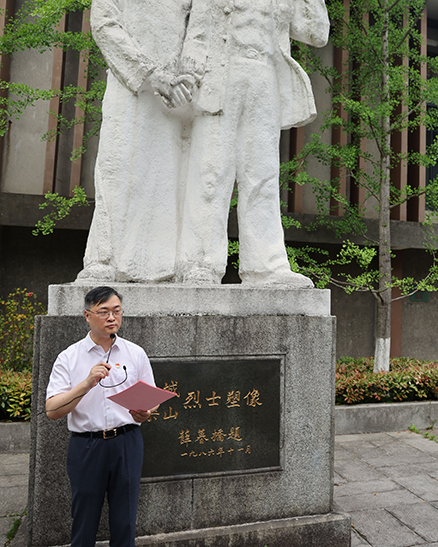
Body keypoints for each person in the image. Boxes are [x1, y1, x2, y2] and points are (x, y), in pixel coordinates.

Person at [175, 0, 329, 285]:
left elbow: (317, 32)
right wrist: (188, 77)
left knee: (263, 175)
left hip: (264, 75)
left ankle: (266, 266)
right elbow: (196, 35)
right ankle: (200, 263)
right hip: (220, 75)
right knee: (211, 171)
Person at [79, 0, 195, 282]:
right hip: (129, 88)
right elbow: (105, 24)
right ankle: (102, 257)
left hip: (176, 94)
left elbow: (201, 33)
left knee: (168, 175)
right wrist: (150, 74)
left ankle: (164, 264)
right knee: (116, 166)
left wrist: (188, 78)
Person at [45, 287, 158, 546]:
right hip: (87, 445)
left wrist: (145, 413)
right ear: (87, 315)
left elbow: (151, 402)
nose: (111, 318)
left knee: (125, 519)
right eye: (103, 312)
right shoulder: (69, 357)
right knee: (84, 519)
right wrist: (86, 383)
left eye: (116, 311)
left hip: (127, 442)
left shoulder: (135, 353)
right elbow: (52, 410)